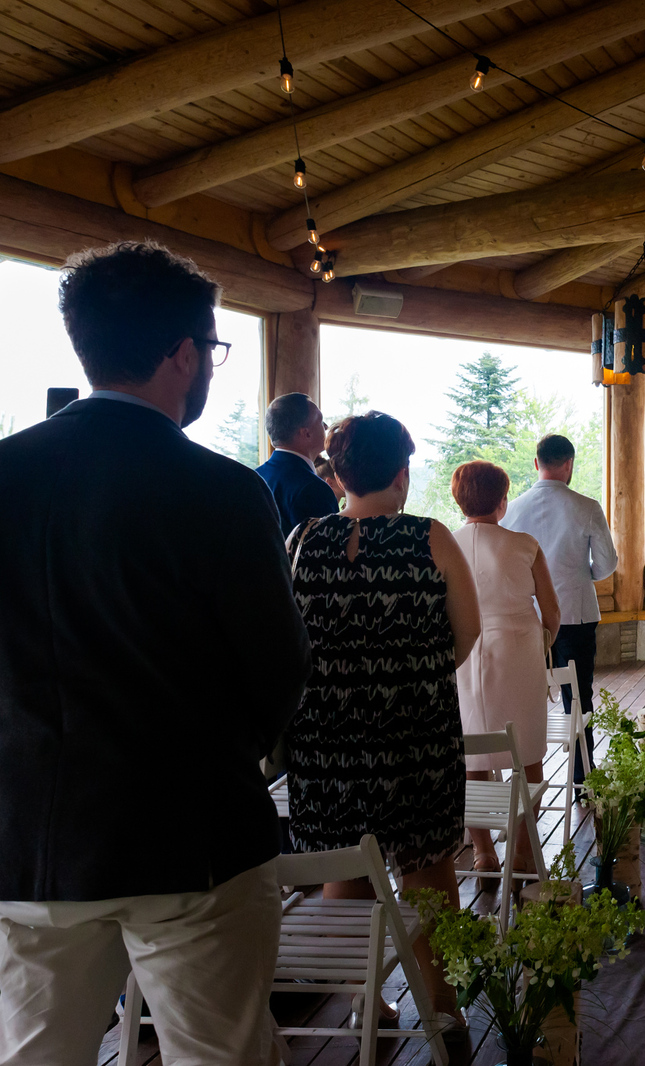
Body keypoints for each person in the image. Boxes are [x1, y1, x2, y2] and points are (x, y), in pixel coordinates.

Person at [0, 242, 310, 1064]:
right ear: (182, 354)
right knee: (218, 1054)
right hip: (193, 835)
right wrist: (221, 754)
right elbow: (279, 667)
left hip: (30, 841)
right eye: (211, 347)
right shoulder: (223, 490)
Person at [284, 411, 480, 1042]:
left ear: (339, 475)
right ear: (401, 474)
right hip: (414, 733)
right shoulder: (430, 537)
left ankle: (366, 1001)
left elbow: (289, 638)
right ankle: (442, 1005)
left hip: (325, 740)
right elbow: (466, 632)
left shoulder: (302, 539)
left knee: (347, 865)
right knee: (428, 870)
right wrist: (412, 674)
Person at [452, 460, 561, 878]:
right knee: (527, 752)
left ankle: (483, 852)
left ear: (459, 500)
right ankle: (522, 851)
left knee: (472, 755)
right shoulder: (524, 545)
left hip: (463, 654)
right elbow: (551, 612)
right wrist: (543, 642)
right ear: (502, 501)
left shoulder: (445, 544)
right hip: (518, 652)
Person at [503, 433, 617, 783]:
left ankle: (525, 775)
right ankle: (583, 778)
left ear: (536, 463)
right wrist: (582, 575)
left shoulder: (511, 509)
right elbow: (607, 563)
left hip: (527, 617)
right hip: (574, 615)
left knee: (525, 698)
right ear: (569, 464)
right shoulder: (587, 507)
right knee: (578, 697)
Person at [255, 392, 339, 538]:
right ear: (306, 433)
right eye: (321, 421)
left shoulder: (254, 477)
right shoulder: (314, 489)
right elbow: (328, 548)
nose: (326, 427)